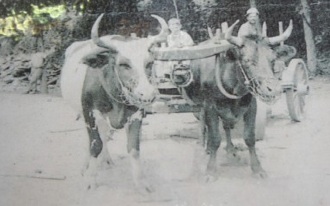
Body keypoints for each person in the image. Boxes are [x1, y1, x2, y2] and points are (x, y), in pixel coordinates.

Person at [166, 18, 194, 87]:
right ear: (169, 27)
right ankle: (172, 76)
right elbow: (170, 46)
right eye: (172, 25)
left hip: (185, 53)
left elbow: (191, 43)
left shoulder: (184, 35)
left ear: (180, 26)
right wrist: (175, 46)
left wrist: (183, 45)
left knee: (187, 61)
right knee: (170, 62)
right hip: (175, 54)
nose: (175, 26)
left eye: (177, 24)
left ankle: (188, 75)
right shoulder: (169, 37)